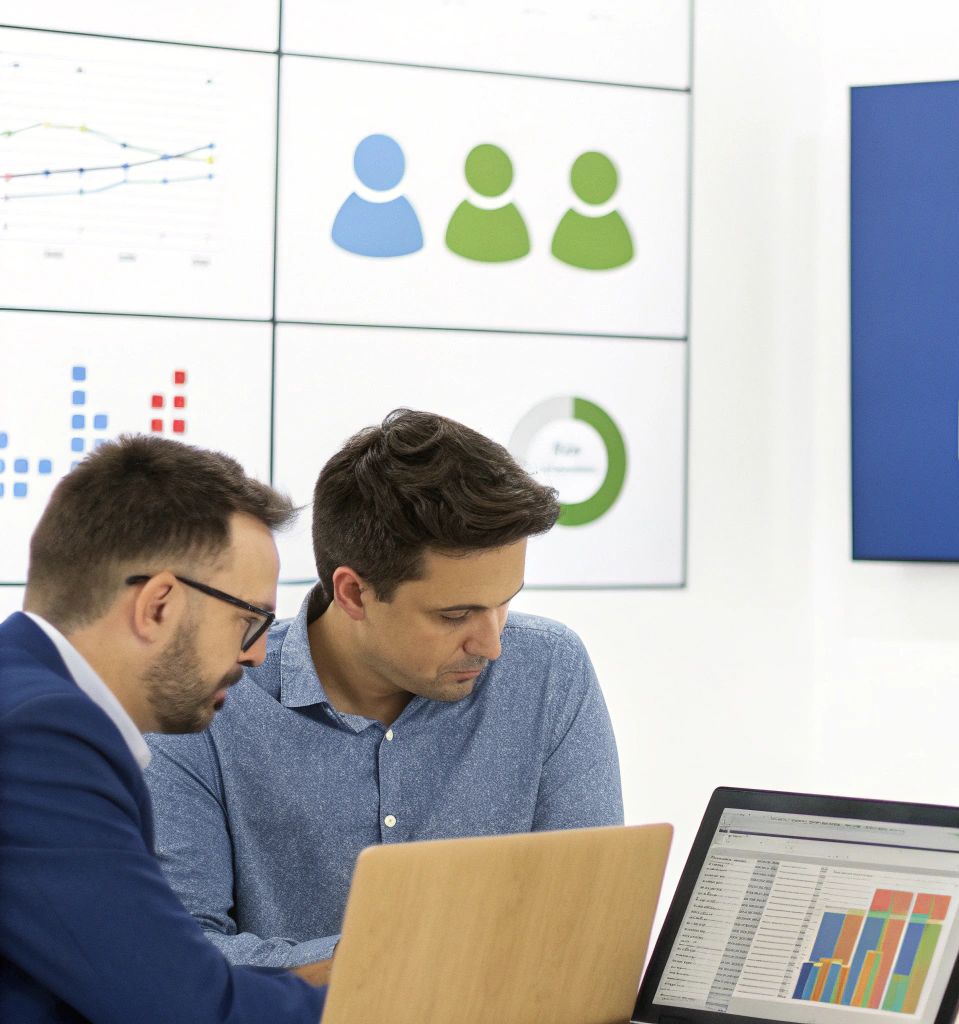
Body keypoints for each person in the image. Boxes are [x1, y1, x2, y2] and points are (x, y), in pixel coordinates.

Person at [147, 409, 624, 968]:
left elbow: (586, 923)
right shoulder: (210, 700)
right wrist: (402, 956)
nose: (492, 645)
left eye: (505, 602)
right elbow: (178, 958)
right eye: (456, 615)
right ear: (352, 593)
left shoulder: (548, 668)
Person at [0, 437, 327, 1021]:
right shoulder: (42, 735)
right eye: (249, 621)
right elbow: (183, 1008)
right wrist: (407, 994)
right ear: (158, 605)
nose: (256, 657)